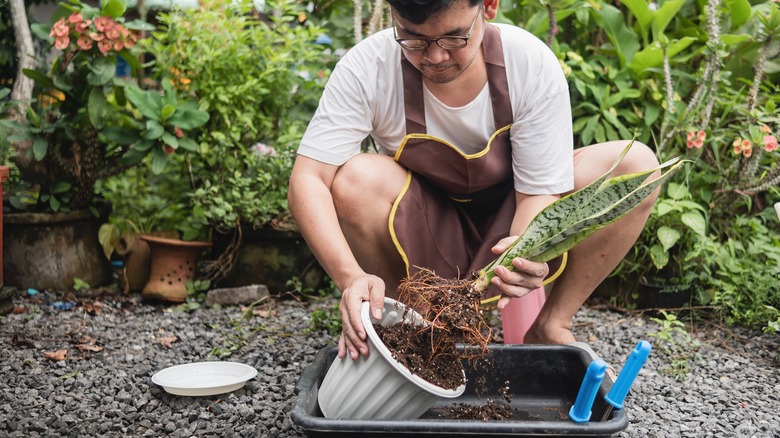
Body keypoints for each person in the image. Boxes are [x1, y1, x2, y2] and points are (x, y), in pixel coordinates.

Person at [288, 0, 659, 360]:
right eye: (414, 39)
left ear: (489, 6)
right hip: (426, 225)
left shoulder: (527, 62)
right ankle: (406, 325)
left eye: (453, 38)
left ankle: (550, 324)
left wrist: (523, 256)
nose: (434, 57)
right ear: (393, 17)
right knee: (354, 178)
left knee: (637, 167)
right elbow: (309, 179)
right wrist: (350, 276)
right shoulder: (369, 66)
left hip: (509, 221)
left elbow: (538, 194)